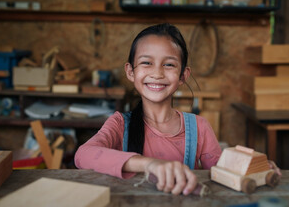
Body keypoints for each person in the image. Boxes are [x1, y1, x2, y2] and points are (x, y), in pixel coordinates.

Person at [75, 23, 221, 195]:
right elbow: (83, 155)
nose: (157, 73)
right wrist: (150, 164)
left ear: (183, 75)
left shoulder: (200, 127)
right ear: (130, 72)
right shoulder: (120, 124)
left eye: (169, 65)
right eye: (146, 62)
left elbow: (221, 179)